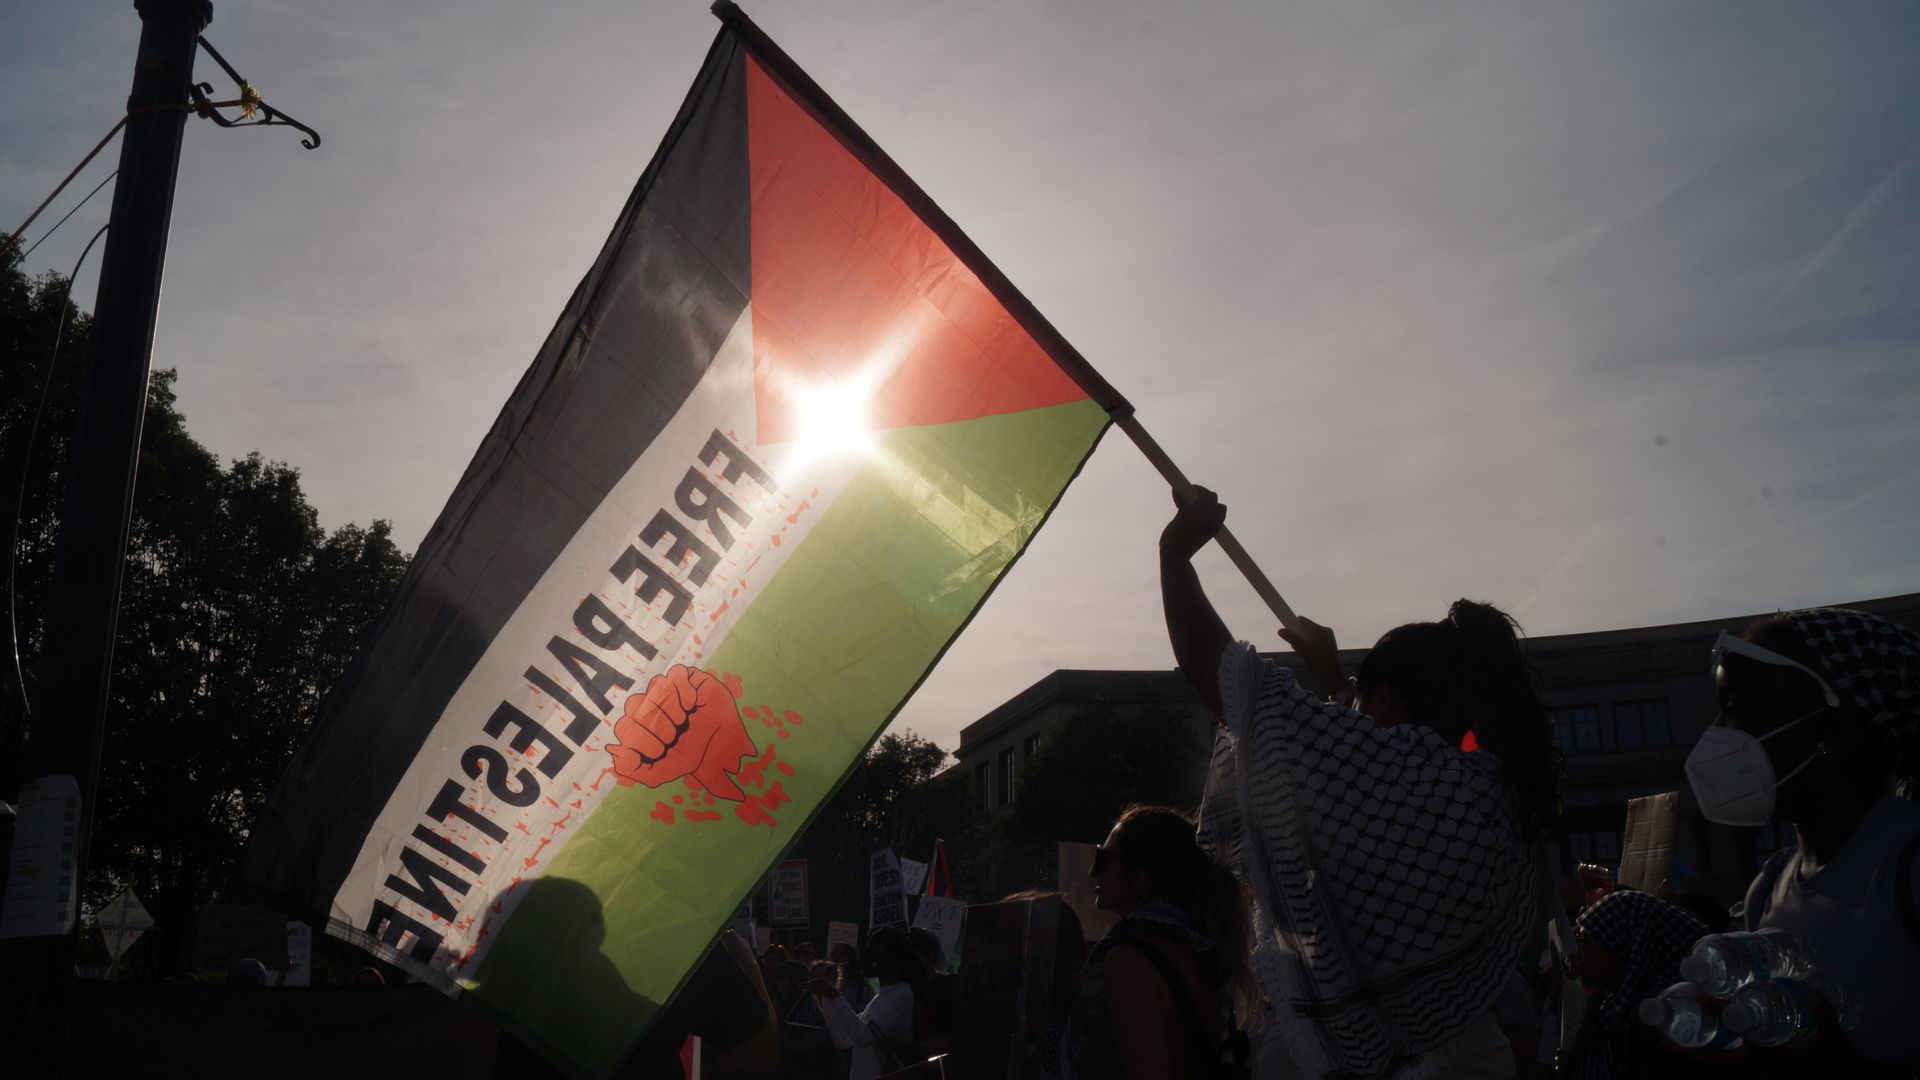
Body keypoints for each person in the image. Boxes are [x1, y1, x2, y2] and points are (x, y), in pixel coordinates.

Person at [1163, 487, 1558, 1079]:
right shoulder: (1490, 787)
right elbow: (1369, 758)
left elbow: (1226, 681)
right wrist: (1339, 682)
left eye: (1366, 705)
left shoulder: (1399, 775)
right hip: (1476, 1053)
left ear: (1388, 700)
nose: (1355, 722)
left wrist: (1175, 554)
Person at [1680, 608, 1920, 1075]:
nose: (1721, 733)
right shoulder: (1768, 886)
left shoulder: (1909, 863)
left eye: (1740, 707)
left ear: (1834, 725)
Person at [1048, 804, 1252, 1080]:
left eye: (1101, 858)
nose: (1092, 872)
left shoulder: (1129, 960)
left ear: (1142, 873)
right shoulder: (1197, 946)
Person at [1558, 890, 1708, 1080]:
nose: (1575, 956)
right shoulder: (1619, 1004)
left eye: (1585, 942)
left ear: (1623, 944)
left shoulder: (1657, 1014)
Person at [811, 926, 922, 1080]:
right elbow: (842, 1039)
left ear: (893, 956)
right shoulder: (880, 998)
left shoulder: (901, 994)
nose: (869, 956)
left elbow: (864, 1038)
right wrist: (827, 997)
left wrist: (833, 994)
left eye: (875, 951)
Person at [772, 959, 837, 1080]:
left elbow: (786, 1042)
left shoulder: (803, 1009)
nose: (775, 985)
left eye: (777, 980)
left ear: (786, 981)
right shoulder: (802, 1003)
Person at [907, 926, 955, 1055]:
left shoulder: (948, 986)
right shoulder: (906, 990)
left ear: (929, 956)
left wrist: (939, 1042)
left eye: (912, 955)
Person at [828, 940, 876, 1013]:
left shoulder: (864, 984)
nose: (836, 957)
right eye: (833, 954)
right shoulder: (825, 980)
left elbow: (862, 1013)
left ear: (851, 958)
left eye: (841, 954)